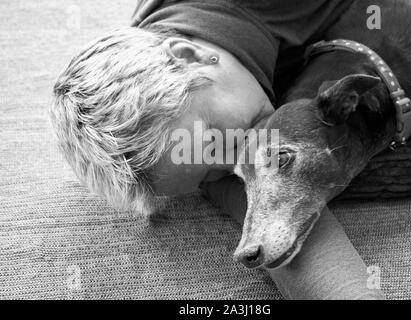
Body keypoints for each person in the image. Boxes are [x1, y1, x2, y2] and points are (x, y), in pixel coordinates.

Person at [50, 0, 385, 299]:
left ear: (190, 56)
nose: (236, 163)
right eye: (209, 174)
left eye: (212, 138)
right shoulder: (184, 132)